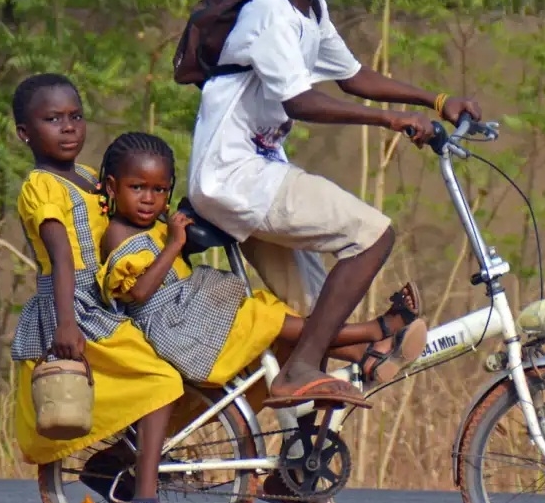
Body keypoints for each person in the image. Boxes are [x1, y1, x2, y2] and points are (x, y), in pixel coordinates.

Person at [186, 0, 483, 416]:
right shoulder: (269, 13)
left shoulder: (311, 11)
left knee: (312, 317)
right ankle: (321, 363)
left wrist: (434, 101)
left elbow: (352, 76)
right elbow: (300, 100)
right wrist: (389, 121)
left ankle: (301, 467)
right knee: (372, 234)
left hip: (257, 177)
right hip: (236, 176)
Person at [8, 73, 187, 503]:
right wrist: (67, 324)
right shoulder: (40, 186)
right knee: (159, 381)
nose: (67, 128)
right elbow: (62, 256)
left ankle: (115, 469)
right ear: (24, 133)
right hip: (74, 306)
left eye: (75, 116)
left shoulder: (90, 176)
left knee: (171, 371)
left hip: (102, 299)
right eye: (51, 120)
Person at [95, 131, 429, 393]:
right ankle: (375, 330)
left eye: (158, 190)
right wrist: (175, 244)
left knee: (274, 313)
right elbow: (139, 292)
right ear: (112, 187)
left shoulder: (153, 226)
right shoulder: (117, 234)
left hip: (190, 314)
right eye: (137, 188)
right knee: (267, 318)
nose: (148, 199)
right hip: (176, 329)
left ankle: (360, 352)